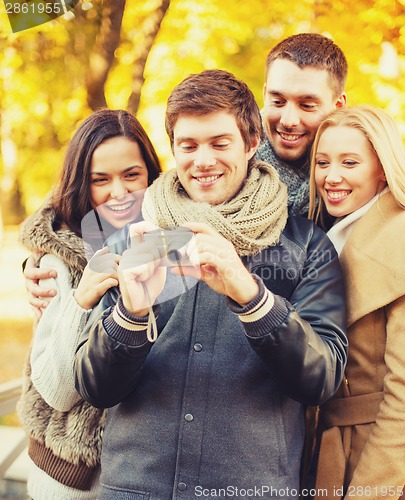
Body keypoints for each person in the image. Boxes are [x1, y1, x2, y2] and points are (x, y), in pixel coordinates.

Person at [74, 69, 348, 499]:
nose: (203, 161)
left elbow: (321, 380)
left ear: (252, 143)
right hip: (134, 488)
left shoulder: (308, 245)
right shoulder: (133, 239)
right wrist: (130, 316)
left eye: (220, 144)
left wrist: (253, 297)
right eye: (188, 146)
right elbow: (95, 388)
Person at [17, 108, 161, 500]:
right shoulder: (58, 261)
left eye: (132, 175)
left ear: (152, 173)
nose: (119, 193)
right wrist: (81, 302)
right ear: (82, 182)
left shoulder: (167, 242)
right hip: (74, 481)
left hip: (146, 473)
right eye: (101, 180)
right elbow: (57, 392)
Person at [308, 105, 405, 499]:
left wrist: (372, 490)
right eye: (322, 162)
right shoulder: (328, 236)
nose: (332, 176)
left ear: (381, 167)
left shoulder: (398, 240)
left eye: (350, 162)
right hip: (326, 448)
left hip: (376, 456)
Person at [256, 32, 347, 217]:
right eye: (278, 102)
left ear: (338, 106)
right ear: (265, 95)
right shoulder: (229, 166)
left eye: (307, 106)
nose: (288, 121)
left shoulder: (365, 176)